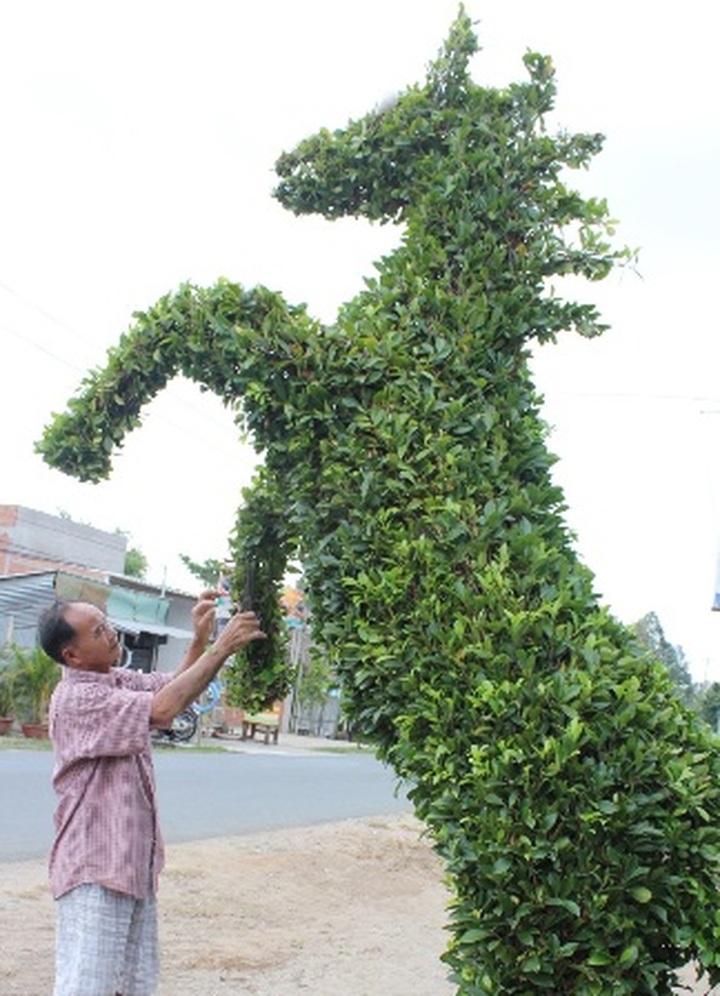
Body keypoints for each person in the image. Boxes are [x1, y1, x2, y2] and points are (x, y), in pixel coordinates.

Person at [38, 591, 265, 996]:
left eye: (106, 623)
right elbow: (161, 710)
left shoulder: (115, 679)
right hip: (96, 868)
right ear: (72, 655)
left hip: (129, 866)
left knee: (132, 985)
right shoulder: (77, 699)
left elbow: (173, 690)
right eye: (98, 631)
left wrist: (199, 641)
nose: (111, 633)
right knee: (87, 987)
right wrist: (222, 647)